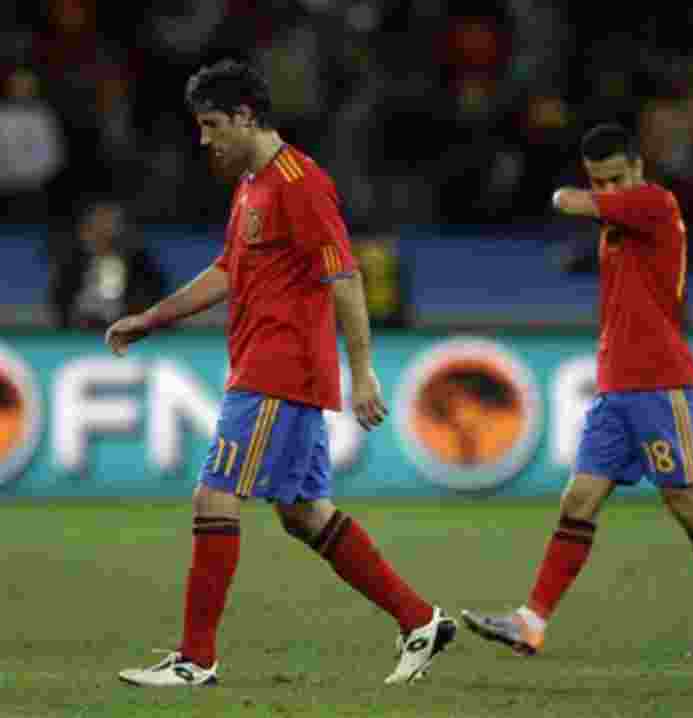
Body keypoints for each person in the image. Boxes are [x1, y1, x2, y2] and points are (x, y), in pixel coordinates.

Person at [107, 59, 455, 687]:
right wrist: (152, 318)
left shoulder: (299, 183)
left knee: (215, 494)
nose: (204, 139)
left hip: (279, 369)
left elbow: (344, 275)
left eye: (212, 124)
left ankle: (195, 658)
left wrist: (364, 371)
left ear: (244, 116)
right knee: (302, 512)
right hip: (269, 367)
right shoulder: (250, 185)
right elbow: (226, 271)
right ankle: (420, 621)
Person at [461, 123, 693, 658]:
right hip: (616, 387)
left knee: (686, 501)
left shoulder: (654, 203)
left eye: (616, 179)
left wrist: (576, 195)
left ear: (639, 168)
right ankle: (530, 622)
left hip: (660, 382)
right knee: (578, 498)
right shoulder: (617, 217)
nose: (609, 190)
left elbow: (569, 202)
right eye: (600, 180)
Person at [48, 199, 167, 330]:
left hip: (126, 332)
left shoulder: (140, 263)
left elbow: (153, 300)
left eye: (112, 225)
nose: (107, 230)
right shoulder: (71, 263)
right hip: (79, 332)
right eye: (100, 225)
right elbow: (60, 301)